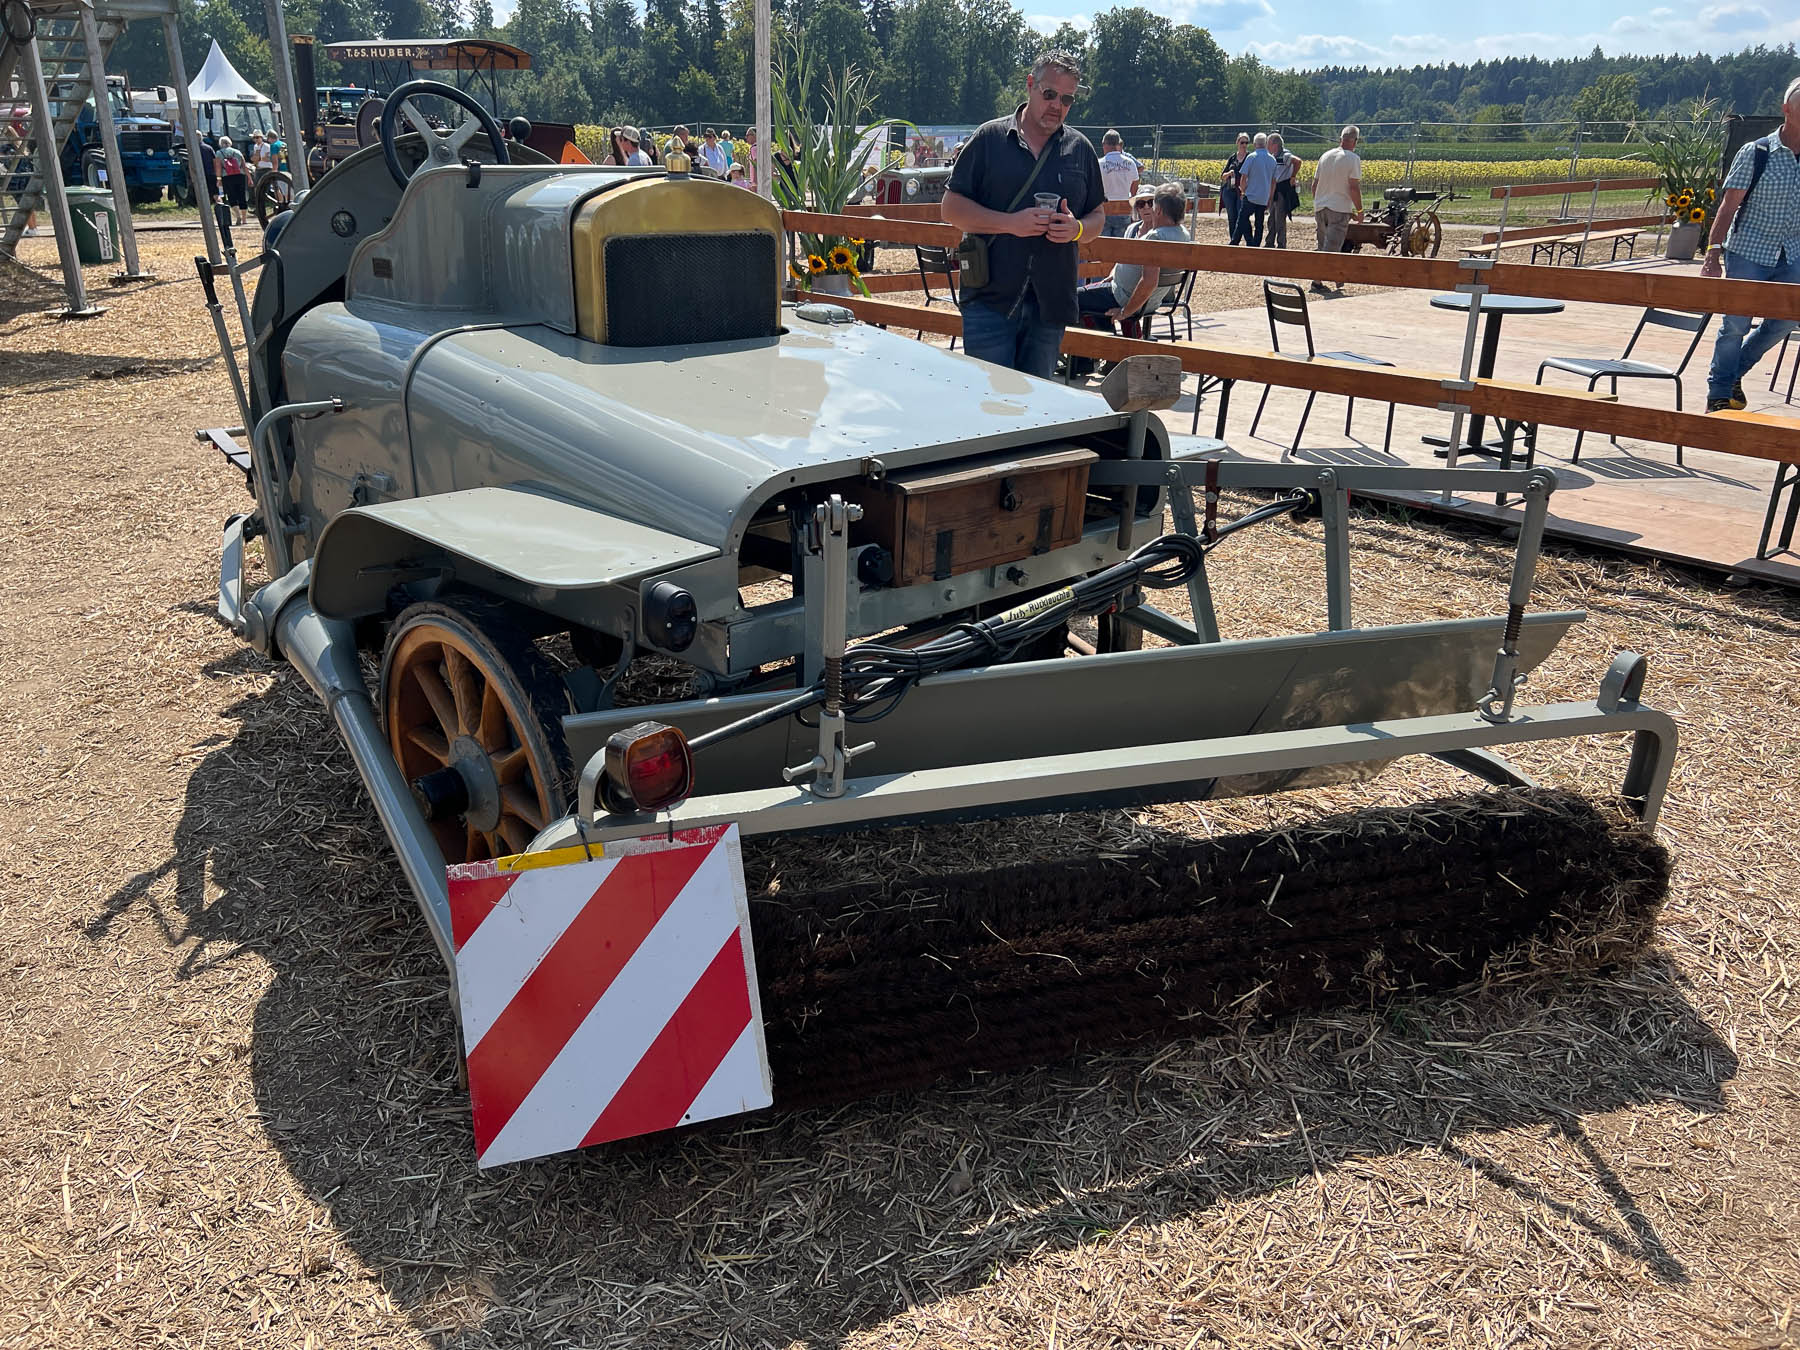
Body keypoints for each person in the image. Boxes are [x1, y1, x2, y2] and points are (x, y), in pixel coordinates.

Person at [940, 49, 1105, 378]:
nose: (1057, 105)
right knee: (988, 402)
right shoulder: (989, 139)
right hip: (990, 300)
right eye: (1049, 94)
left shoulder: (1080, 149)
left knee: (1037, 405)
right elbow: (950, 208)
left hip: (1050, 305)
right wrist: (1009, 223)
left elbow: (1097, 216)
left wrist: (1075, 229)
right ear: (1030, 85)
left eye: (1067, 99)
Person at [1702, 76, 1800, 412]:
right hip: (1749, 250)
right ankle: (1718, 393)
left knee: (1787, 319)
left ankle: (1734, 373)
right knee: (1736, 324)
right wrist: (1713, 253)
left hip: (1792, 253)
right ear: (1786, 109)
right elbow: (1728, 206)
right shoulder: (1756, 152)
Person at [1069, 185, 1190, 375]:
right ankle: (1110, 354)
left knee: (1073, 299)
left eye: (1152, 204)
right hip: (1150, 299)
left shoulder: (1156, 237)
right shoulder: (1183, 233)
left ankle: (1087, 359)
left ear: (1158, 210)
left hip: (1125, 296)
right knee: (1094, 298)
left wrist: (1125, 312)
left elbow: (1149, 282)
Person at [1312, 125, 1363, 292]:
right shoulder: (1353, 159)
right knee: (1332, 248)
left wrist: (1318, 202)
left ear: (1341, 139)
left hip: (1321, 207)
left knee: (1322, 245)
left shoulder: (1325, 156)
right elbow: (1353, 188)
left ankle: (1336, 278)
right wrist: (1360, 211)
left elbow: (1314, 185)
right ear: (1355, 141)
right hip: (1339, 209)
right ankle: (1317, 280)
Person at [1235, 132, 1276, 247]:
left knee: (1242, 219)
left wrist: (1243, 191)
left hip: (1251, 195)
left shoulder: (1251, 157)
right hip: (1263, 197)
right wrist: (1270, 197)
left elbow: (1243, 177)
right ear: (1266, 143)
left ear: (1254, 144)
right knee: (1259, 222)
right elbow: (1273, 182)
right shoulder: (1272, 159)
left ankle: (1236, 242)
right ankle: (1256, 245)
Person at [1097, 129, 1140, 236]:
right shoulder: (1130, 163)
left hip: (1105, 208)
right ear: (1119, 144)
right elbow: (1134, 189)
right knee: (1121, 243)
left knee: (1104, 243)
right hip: (1124, 209)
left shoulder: (1099, 164)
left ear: (1104, 144)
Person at [1264, 133, 1302, 249]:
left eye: (1268, 143)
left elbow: (1298, 161)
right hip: (1274, 189)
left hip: (1282, 190)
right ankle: (1270, 242)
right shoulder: (1274, 156)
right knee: (1271, 218)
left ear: (1275, 145)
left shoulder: (1285, 155)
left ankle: (1281, 244)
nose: (1267, 146)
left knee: (1279, 219)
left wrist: (1293, 176)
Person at [1221, 132, 1249, 243]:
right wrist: (1229, 173)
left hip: (1242, 191)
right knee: (1231, 217)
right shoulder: (1232, 158)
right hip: (1229, 190)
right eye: (1242, 142)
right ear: (1237, 143)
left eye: (1246, 142)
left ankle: (1246, 239)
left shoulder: (1250, 157)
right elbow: (1222, 176)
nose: (1244, 145)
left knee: (1241, 216)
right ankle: (1233, 240)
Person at [217, 134, 247, 225]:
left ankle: (238, 216)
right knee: (242, 196)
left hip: (227, 177)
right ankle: (244, 219)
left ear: (221, 144)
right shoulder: (237, 152)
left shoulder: (219, 153)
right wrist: (249, 177)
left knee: (231, 196)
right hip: (240, 175)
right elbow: (244, 165)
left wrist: (219, 179)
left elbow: (218, 167)